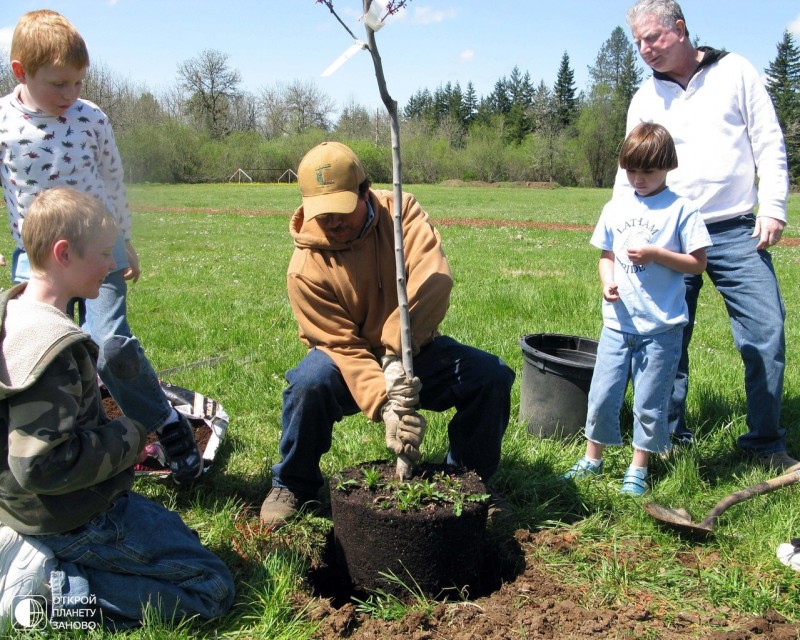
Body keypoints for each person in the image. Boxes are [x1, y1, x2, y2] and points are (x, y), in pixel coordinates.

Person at [0, 187, 235, 628]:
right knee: (211, 587)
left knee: (181, 536)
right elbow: (41, 466)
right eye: (105, 253)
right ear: (63, 254)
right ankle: (48, 595)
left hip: (42, 507)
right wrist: (132, 433)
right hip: (69, 517)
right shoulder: (51, 351)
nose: (114, 265)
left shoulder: (13, 311)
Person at [259, 141, 515, 526]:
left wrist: (396, 353)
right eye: (322, 213)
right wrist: (386, 405)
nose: (332, 222)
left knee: (490, 376)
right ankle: (291, 483)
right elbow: (340, 344)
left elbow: (434, 278)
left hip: (414, 348)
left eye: (341, 210)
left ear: (365, 190)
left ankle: (469, 481)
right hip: (347, 360)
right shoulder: (304, 268)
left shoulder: (402, 213)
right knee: (308, 384)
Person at [0, 10, 202, 484]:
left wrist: (125, 241)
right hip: (38, 263)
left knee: (110, 347)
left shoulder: (91, 119)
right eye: (59, 84)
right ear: (20, 72)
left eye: (77, 83)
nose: (70, 95)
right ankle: (63, 443)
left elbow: (113, 181)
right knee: (35, 354)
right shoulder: (3, 123)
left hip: (98, 255)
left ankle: (165, 424)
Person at [617, 0, 796, 471]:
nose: (645, 49)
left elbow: (769, 139)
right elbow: (628, 170)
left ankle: (764, 442)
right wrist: (620, 234)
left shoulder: (735, 71)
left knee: (765, 332)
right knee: (667, 340)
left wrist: (773, 206)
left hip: (736, 229)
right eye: (638, 42)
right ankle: (665, 440)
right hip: (668, 232)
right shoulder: (645, 98)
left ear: (680, 29)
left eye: (652, 37)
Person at [564, 123, 711, 495]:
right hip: (617, 324)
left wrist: (657, 254)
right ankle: (592, 458)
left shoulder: (682, 210)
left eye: (649, 171)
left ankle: (638, 468)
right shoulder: (616, 207)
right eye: (632, 171)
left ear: (667, 166)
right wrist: (606, 281)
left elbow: (697, 263)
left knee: (650, 402)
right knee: (601, 395)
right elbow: (606, 255)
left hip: (661, 328)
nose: (639, 179)